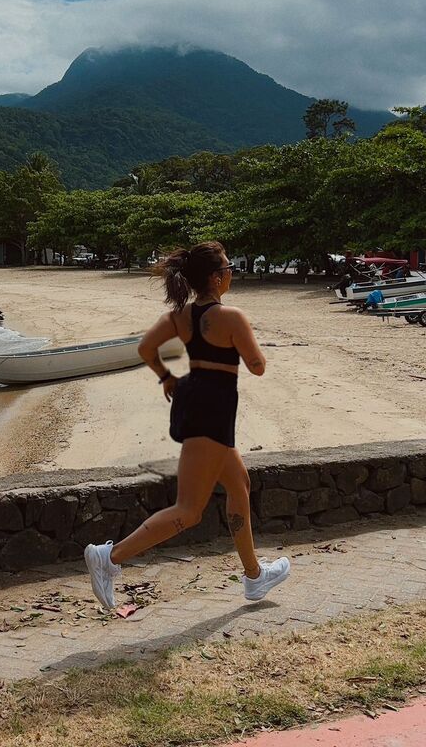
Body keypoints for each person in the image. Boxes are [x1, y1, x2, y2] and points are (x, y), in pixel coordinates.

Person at [84, 241, 290, 608]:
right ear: (215, 278)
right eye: (228, 269)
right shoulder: (231, 317)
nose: (230, 274)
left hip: (197, 401)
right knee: (189, 510)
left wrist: (166, 376)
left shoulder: (181, 315)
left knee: (239, 485)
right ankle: (109, 557)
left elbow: (146, 347)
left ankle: (255, 577)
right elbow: (257, 366)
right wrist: (249, 348)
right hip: (214, 409)